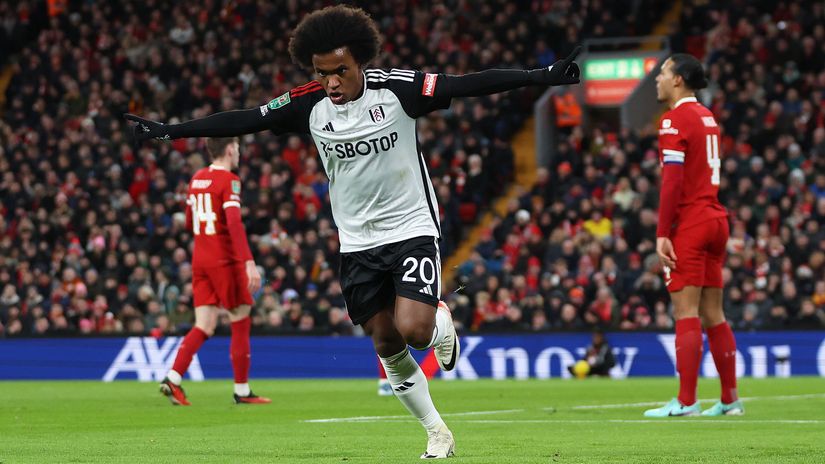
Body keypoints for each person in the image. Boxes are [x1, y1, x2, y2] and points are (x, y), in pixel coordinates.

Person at [126, 5, 580, 457]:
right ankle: (437, 431)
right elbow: (246, 118)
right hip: (357, 242)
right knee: (386, 342)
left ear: (361, 61)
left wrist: (540, 76)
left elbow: (468, 85)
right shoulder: (308, 102)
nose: (332, 82)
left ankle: (440, 320)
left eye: (340, 71)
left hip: (411, 227)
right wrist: (170, 131)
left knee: (415, 330)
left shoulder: (398, 90)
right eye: (323, 73)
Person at [643, 54, 743, 418]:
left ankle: (686, 401)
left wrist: (661, 233)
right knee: (714, 313)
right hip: (717, 219)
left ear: (680, 80)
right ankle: (730, 399)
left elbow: (673, 180)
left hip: (692, 223)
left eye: (664, 72)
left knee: (685, 311)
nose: (657, 78)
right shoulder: (707, 117)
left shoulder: (674, 119)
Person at [159, 137, 271, 406]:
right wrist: (248, 262)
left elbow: (189, 221)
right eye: (239, 148)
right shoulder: (229, 180)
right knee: (241, 318)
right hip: (225, 260)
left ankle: (173, 378)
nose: (240, 153)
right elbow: (234, 224)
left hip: (200, 259)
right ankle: (242, 391)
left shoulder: (196, 178)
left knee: (204, 325)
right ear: (230, 149)